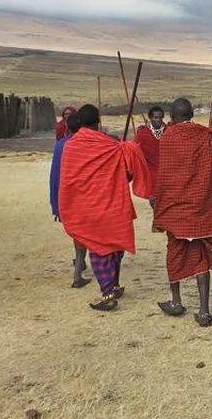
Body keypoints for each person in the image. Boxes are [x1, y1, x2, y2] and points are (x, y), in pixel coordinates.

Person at [59, 105, 152, 310]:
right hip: (113, 206)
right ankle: (114, 285)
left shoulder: (72, 146)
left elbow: (68, 182)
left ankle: (108, 294)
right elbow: (128, 173)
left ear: (80, 122)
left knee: (99, 250)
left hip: (89, 209)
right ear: (98, 120)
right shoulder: (113, 145)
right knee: (114, 248)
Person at [153, 98, 212, 327]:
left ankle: (176, 301)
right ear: (191, 114)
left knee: (174, 253)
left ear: (172, 116)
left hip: (176, 209)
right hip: (200, 208)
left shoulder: (168, 137)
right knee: (201, 259)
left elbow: (165, 176)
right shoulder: (206, 134)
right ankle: (204, 311)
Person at [49, 112, 91, 288]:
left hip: (65, 198)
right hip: (80, 197)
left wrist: (56, 203)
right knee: (84, 235)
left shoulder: (60, 145)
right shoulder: (81, 145)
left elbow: (55, 176)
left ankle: (80, 265)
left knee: (79, 234)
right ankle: (77, 275)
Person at [134, 106, 166, 206]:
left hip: (166, 172)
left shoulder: (169, 131)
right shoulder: (142, 133)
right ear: (150, 118)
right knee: (155, 203)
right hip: (151, 173)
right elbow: (136, 150)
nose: (158, 120)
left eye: (160, 117)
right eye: (155, 117)